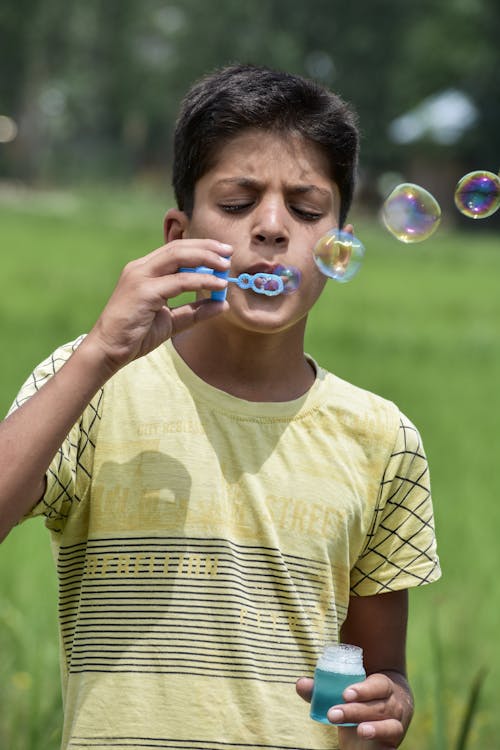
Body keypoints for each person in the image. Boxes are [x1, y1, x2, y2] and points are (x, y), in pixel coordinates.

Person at [0, 63, 440, 750]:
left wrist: (384, 707)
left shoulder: (381, 438)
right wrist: (97, 356)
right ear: (178, 234)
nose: (271, 228)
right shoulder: (93, 385)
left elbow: (368, 669)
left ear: (339, 245)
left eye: (305, 207)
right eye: (237, 203)